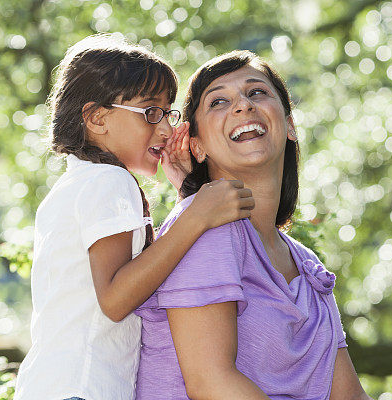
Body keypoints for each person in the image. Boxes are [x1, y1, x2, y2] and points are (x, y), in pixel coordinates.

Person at [13, 35, 254, 400]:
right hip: (82, 389)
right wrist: (198, 214)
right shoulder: (110, 181)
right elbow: (116, 297)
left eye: (167, 113)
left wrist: (185, 193)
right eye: (150, 112)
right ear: (97, 118)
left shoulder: (78, 183)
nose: (166, 129)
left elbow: (148, 276)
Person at [135, 50, 373, 400]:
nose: (243, 105)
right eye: (218, 101)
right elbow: (211, 383)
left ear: (290, 125)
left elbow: (349, 395)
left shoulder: (306, 265)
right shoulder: (204, 231)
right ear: (196, 146)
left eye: (257, 92)